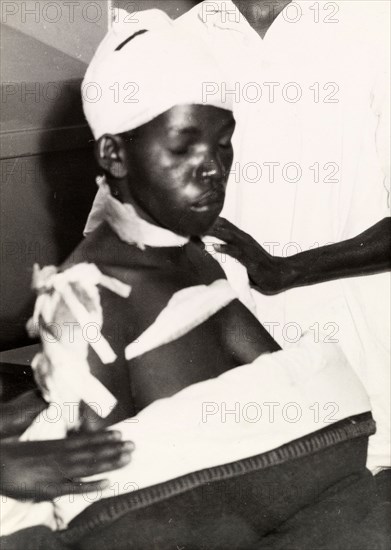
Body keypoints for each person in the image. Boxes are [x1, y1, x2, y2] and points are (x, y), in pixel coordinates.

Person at [0, 9, 383, 549]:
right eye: (183, 146)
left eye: (224, 144)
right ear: (115, 155)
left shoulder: (196, 264)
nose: (213, 168)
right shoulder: (91, 294)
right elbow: (104, 494)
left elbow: (297, 398)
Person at [178, 0, 391, 473]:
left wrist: (290, 269)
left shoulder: (377, 25)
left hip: (370, 391)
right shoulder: (179, 41)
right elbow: (123, 226)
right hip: (226, 401)